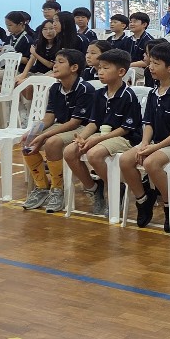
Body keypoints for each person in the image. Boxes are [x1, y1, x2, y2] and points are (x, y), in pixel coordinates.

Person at [124, 42, 170, 232]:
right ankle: (143, 200)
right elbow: (148, 123)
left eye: (156, 63)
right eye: (151, 62)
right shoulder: (153, 92)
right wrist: (144, 143)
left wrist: (154, 148)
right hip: (156, 143)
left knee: (151, 163)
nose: (150, 67)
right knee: (125, 160)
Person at [61, 49, 143, 215]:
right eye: (99, 68)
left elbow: (125, 129)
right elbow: (93, 123)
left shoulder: (128, 95)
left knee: (94, 154)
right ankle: (94, 188)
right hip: (102, 135)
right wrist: (81, 138)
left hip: (124, 137)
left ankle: (116, 187)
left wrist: (96, 140)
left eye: (105, 68)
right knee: (70, 151)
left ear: (121, 72)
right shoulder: (99, 94)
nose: (100, 72)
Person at [19, 49, 96, 213]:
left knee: (52, 142)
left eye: (61, 62)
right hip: (61, 125)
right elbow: (49, 117)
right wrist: (33, 131)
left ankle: (57, 189)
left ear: (74, 68)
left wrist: (45, 136)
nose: (55, 65)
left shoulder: (85, 89)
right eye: (55, 61)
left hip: (82, 128)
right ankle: (42, 187)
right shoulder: (55, 88)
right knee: (28, 140)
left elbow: (75, 122)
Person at [127, 12, 154, 77]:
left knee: (125, 73)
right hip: (129, 66)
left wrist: (128, 65)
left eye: (135, 22)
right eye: (130, 22)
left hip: (143, 68)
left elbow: (147, 62)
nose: (131, 24)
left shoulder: (149, 41)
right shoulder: (128, 40)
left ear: (144, 24)